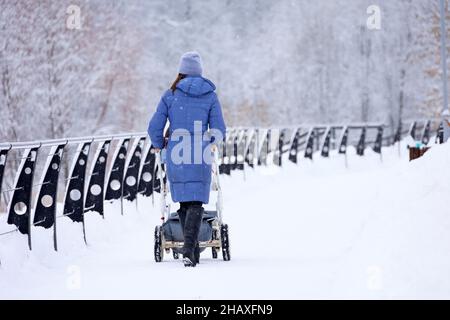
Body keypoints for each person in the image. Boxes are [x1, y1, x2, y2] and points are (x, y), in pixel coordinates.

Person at [147, 51, 226, 267]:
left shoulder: (170, 95)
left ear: (181, 71)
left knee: (183, 201)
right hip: (199, 153)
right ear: (200, 71)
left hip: (176, 152)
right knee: (196, 201)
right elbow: (219, 130)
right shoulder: (210, 96)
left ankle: (190, 250)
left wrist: (160, 143)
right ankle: (191, 251)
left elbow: (154, 127)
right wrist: (205, 139)